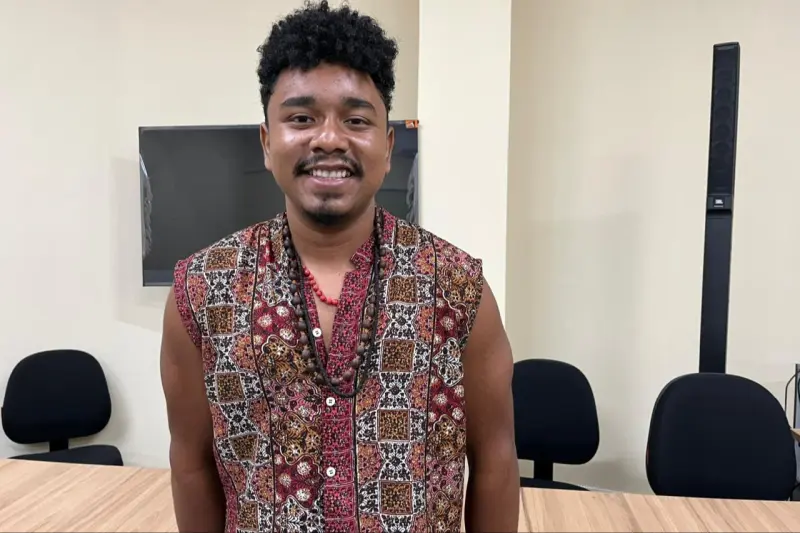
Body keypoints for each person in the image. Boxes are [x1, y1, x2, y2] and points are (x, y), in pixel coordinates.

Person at [159, 1, 519, 532]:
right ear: (266, 142)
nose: (329, 138)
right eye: (301, 118)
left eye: (356, 120)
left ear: (388, 147)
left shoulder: (458, 288)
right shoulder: (201, 293)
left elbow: (495, 459)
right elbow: (191, 464)